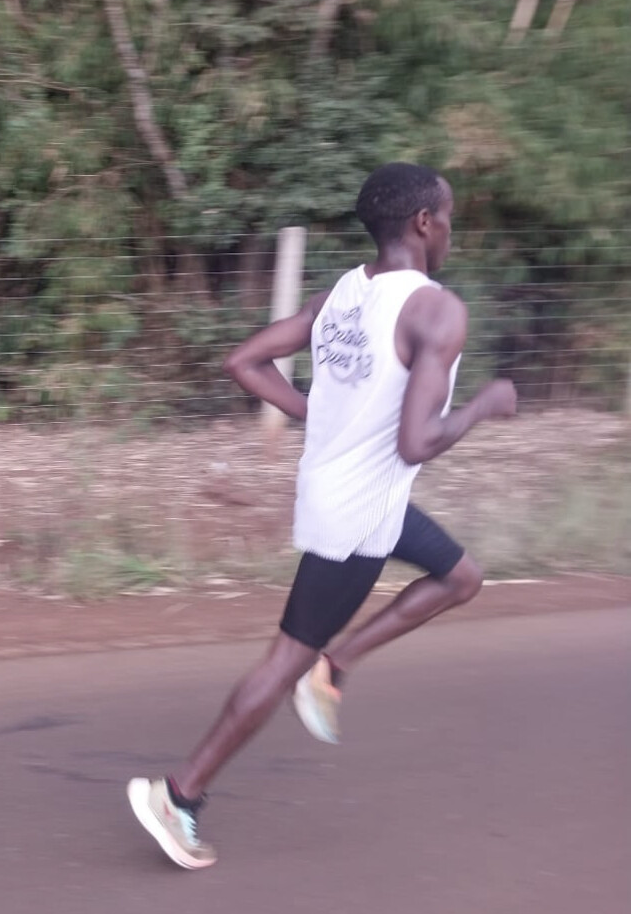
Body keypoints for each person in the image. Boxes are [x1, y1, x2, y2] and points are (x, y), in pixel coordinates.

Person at [127, 162, 518, 869]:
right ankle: (178, 794)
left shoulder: (339, 294)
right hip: (359, 515)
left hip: (353, 494)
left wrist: (320, 414)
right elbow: (417, 442)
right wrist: (484, 406)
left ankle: (337, 663)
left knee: (461, 576)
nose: (450, 231)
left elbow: (243, 362)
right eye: (448, 218)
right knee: (285, 659)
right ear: (423, 223)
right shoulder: (435, 310)